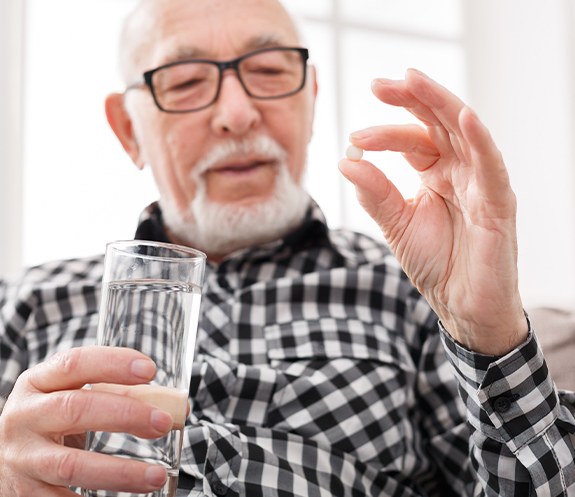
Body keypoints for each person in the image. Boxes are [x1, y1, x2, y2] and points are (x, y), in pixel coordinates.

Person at [0, 0, 574, 496]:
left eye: (270, 71)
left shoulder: (414, 291)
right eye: (186, 82)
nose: (238, 114)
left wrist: (488, 329)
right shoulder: (24, 305)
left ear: (311, 99)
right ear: (128, 130)